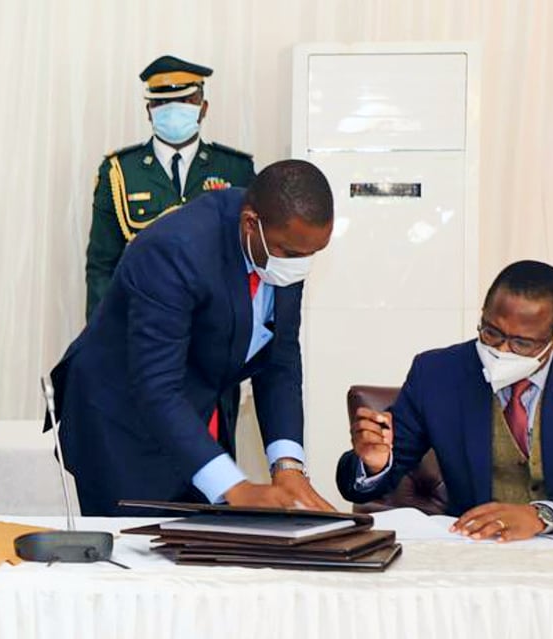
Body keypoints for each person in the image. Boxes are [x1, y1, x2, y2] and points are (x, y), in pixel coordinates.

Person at [50, 160, 340, 515]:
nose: (302, 265)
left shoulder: (284, 245)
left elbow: (279, 362)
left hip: (196, 411)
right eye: (294, 255)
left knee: (207, 551)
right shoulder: (175, 249)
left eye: (313, 255)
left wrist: (288, 466)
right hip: (122, 424)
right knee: (138, 555)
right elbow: (157, 387)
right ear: (251, 224)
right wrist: (236, 486)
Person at [338, 261, 553, 541]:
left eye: (522, 343)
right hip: (476, 547)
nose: (501, 350)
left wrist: (543, 516)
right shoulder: (437, 373)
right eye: (491, 332)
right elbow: (375, 475)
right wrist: (376, 465)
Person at [84, 55, 256, 320]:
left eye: (185, 101)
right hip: (144, 319)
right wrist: (102, 331)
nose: (173, 110)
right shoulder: (120, 172)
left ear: (203, 107)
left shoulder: (236, 170)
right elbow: (102, 265)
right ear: (149, 110)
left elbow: (252, 259)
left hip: (215, 322)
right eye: (162, 103)